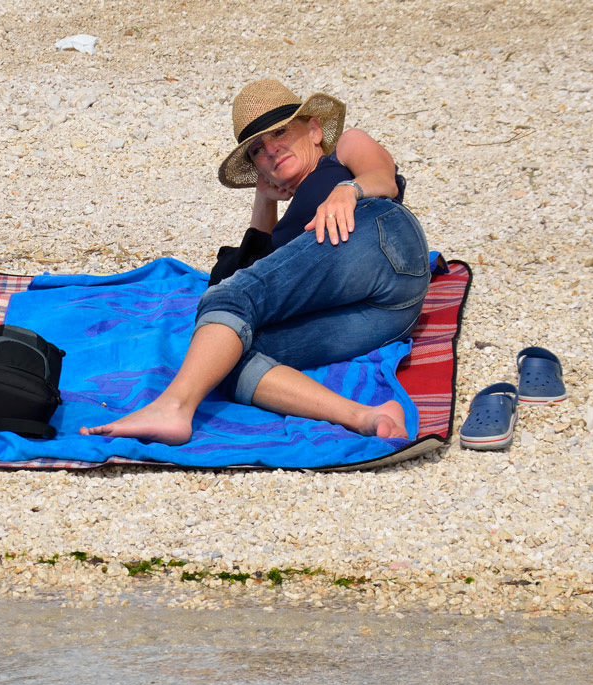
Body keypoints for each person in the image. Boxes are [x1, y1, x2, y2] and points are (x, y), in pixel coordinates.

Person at [80, 78, 430, 444]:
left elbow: (383, 178)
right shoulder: (291, 227)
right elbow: (238, 281)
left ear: (313, 129)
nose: (272, 150)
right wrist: (264, 200)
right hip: (389, 311)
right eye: (258, 151)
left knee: (230, 302)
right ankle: (366, 417)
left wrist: (348, 190)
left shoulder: (343, 149)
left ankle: (172, 407)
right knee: (222, 361)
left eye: (280, 132)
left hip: (381, 237)